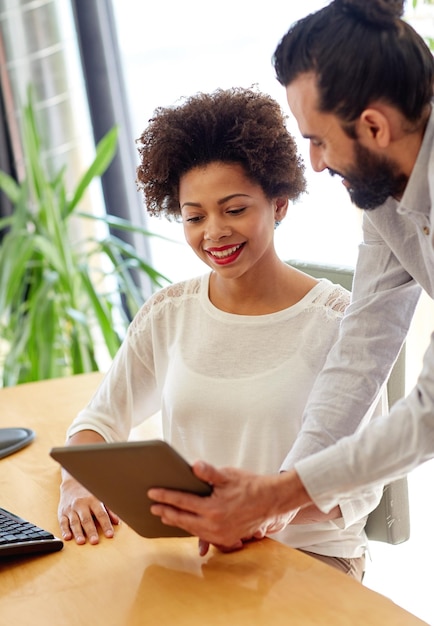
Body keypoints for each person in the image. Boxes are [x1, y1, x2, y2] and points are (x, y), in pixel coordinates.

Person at [57, 86, 383, 581]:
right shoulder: (170, 312)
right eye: (194, 216)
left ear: (279, 205)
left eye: (234, 210)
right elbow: (97, 423)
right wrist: (75, 487)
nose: (213, 233)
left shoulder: (339, 324)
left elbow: (363, 486)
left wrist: (271, 511)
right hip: (198, 556)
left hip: (310, 559)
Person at [147, 0, 434, 550]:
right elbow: (362, 346)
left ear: (374, 125)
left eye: (319, 140)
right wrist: (279, 495)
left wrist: (278, 495)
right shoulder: (383, 197)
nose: (317, 164)